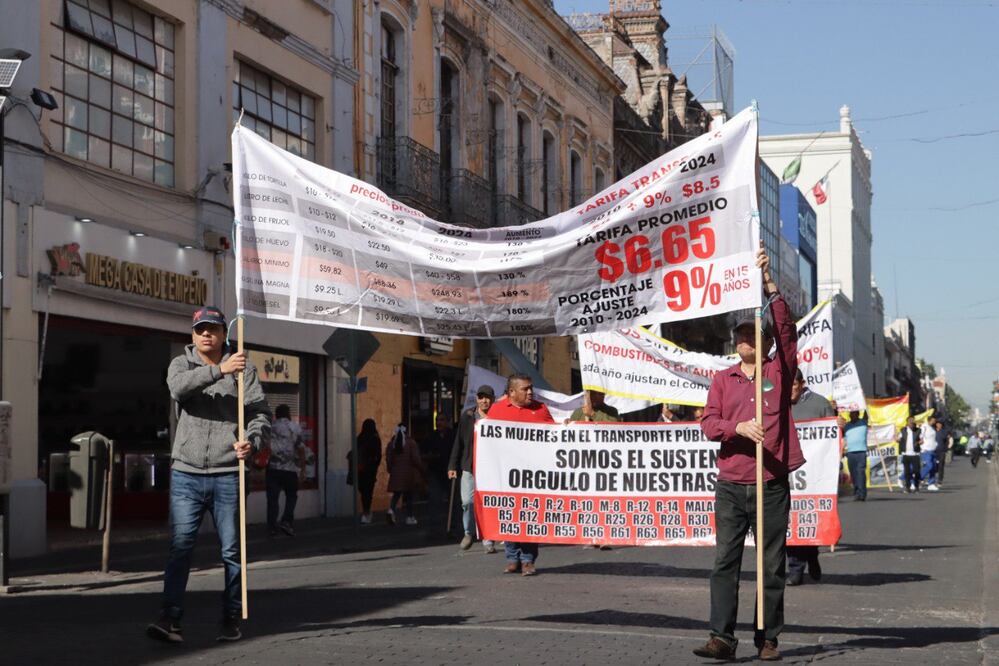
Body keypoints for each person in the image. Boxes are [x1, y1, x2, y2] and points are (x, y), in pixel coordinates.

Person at [694, 246, 801, 662]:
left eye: (750, 333)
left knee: (771, 566)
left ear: (764, 340)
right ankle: (721, 637)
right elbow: (708, 424)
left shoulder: (779, 371)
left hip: (770, 484)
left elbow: (787, 328)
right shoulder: (724, 379)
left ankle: (768, 638)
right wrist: (736, 427)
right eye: (738, 334)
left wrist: (768, 280)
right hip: (732, 484)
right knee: (725, 563)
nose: (742, 338)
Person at [147, 306, 271, 644]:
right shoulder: (181, 363)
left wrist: (252, 439)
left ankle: (231, 616)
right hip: (186, 473)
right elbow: (179, 389)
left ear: (223, 334)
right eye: (200, 329)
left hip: (228, 473)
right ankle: (169, 618)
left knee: (232, 550)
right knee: (180, 546)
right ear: (192, 334)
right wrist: (219, 371)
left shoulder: (243, 369)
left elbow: (260, 412)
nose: (206, 334)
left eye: (213, 329)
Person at [486, 373, 554, 576]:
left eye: (531, 388)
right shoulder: (497, 410)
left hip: (533, 476)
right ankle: (512, 557)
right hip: (506, 475)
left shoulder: (540, 409)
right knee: (510, 516)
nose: (530, 392)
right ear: (512, 392)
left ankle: (528, 559)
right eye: (525, 389)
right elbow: (486, 439)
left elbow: (555, 436)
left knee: (530, 516)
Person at [786, 369, 837, 586]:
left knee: (808, 519)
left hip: (814, 475)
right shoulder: (777, 404)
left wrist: (839, 426)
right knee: (790, 521)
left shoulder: (820, 404)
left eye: (793, 385)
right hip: (787, 474)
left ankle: (811, 555)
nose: (789, 390)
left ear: (802, 383)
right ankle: (795, 568)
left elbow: (832, 437)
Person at [448, 385, 497, 553]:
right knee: (467, 502)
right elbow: (458, 442)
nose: (484, 400)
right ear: (476, 399)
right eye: (481, 397)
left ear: (493, 399)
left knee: (487, 504)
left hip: (490, 468)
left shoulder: (497, 417)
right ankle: (468, 533)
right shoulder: (468, 416)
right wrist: (452, 465)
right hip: (469, 466)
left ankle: (487, 539)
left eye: (487, 397)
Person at [569, 390, 619, 550]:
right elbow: (571, 433)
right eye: (597, 394)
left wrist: (593, 415)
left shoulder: (611, 412)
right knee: (588, 501)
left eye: (602, 394)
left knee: (605, 501)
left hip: (605, 463)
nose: (601, 397)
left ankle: (605, 536)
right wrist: (568, 424)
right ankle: (591, 535)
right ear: (589, 395)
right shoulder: (578, 412)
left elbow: (616, 430)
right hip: (585, 463)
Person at [266, 404, 306, 537]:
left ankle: (272, 526)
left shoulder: (270, 427)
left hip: (273, 468)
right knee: (291, 496)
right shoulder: (294, 427)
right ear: (288, 413)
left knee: (272, 499)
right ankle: (286, 521)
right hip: (290, 469)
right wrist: (303, 468)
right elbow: (300, 448)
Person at [385, 424, 423, 525]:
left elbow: (388, 459)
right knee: (409, 496)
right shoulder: (411, 443)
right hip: (408, 473)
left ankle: (391, 509)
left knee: (397, 494)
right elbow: (415, 459)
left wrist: (390, 469)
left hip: (396, 473)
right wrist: (421, 469)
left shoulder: (392, 444)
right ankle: (409, 516)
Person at [351, 418, 382, 524]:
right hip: (370, 470)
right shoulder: (375, 438)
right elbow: (378, 455)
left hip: (360, 469)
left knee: (363, 491)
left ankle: (365, 512)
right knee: (368, 492)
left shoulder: (359, 438)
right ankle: (366, 512)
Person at [843, 410, 870, 502]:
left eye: (853, 413)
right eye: (850, 414)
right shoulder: (847, 426)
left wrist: (864, 402)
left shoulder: (863, 422)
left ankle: (862, 493)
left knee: (860, 473)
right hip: (850, 453)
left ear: (858, 414)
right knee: (853, 474)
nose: (851, 415)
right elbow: (844, 438)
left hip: (861, 452)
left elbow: (867, 413)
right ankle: (856, 492)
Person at [898, 416, 922, 493]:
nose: (912, 423)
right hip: (906, 454)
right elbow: (899, 439)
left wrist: (920, 442)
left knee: (916, 471)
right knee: (907, 472)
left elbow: (922, 439)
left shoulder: (918, 430)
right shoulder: (903, 430)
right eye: (910, 421)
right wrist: (897, 439)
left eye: (913, 421)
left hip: (915, 454)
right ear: (907, 422)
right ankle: (907, 487)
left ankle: (916, 486)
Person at [920, 416, 940, 491]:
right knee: (929, 466)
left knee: (933, 468)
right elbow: (920, 437)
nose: (934, 422)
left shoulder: (932, 428)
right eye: (933, 420)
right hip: (926, 450)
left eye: (935, 421)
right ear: (929, 420)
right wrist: (922, 448)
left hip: (933, 450)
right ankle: (918, 478)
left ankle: (931, 483)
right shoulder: (924, 427)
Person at [935, 420, 952, 484]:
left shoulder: (944, 432)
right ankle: (933, 477)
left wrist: (946, 448)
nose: (939, 425)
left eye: (940, 424)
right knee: (934, 465)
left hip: (942, 451)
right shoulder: (933, 431)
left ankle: (940, 479)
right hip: (934, 451)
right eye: (938, 424)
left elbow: (947, 441)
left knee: (941, 466)